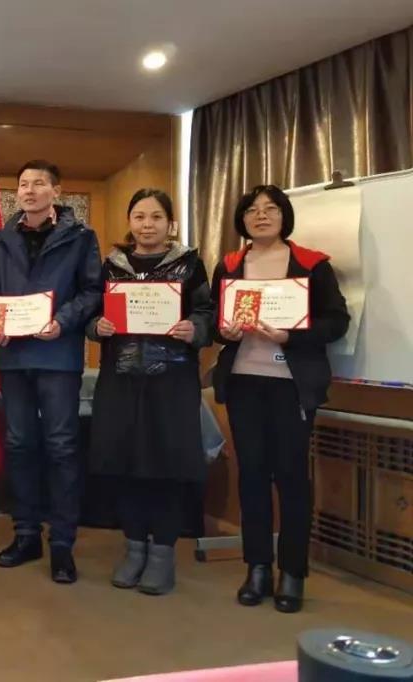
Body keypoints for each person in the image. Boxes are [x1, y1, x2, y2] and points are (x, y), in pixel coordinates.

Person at [211, 184, 349, 613]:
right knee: (251, 475)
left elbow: (337, 321)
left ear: (284, 216)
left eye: (271, 209)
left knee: (291, 477)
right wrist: (224, 330)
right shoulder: (230, 265)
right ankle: (257, 567)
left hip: (291, 385)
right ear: (242, 219)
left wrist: (292, 335)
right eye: (252, 210)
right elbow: (217, 321)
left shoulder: (312, 264)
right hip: (244, 382)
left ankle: (292, 572)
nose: (261, 216)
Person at [86, 188, 212, 595]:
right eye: (139, 216)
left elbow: (206, 311)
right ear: (130, 222)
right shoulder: (112, 266)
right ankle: (134, 547)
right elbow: (92, 312)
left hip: (172, 381)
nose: (147, 225)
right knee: (125, 463)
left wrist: (196, 328)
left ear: (170, 223)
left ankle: (162, 554)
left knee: (167, 465)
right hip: (121, 379)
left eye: (156, 217)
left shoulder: (189, 264)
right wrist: (97, 326)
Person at [0, 160, 102, 583]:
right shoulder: (2, 239)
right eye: (23, 185)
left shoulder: (80, 237)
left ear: (57, 191)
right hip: (14, 356)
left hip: (57, 355)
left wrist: (63, 322)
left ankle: (63, 544)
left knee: (62, 446)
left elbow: (92, 291)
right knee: (19, 445)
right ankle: (26, 534)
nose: (29, 191)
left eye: (38, 184)